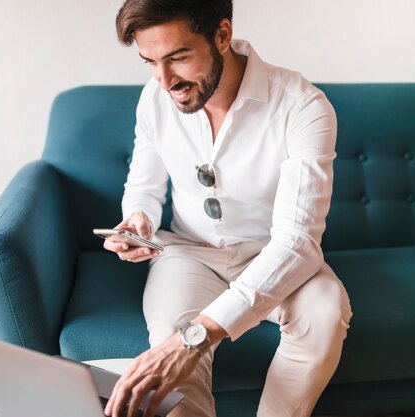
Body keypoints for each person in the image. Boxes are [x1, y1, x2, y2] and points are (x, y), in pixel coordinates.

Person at [102, 1, 353, 416]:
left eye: (178, 58)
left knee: (325, 311)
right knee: (169, 332)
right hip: (187, 253)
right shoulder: (154, 97)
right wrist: (138, 220)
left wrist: (199, 334)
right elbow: (143, 186)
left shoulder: (302, 105)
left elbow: (297, 243)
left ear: (222, 35)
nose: (166, 81)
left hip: (273, 252)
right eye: (150, 62)